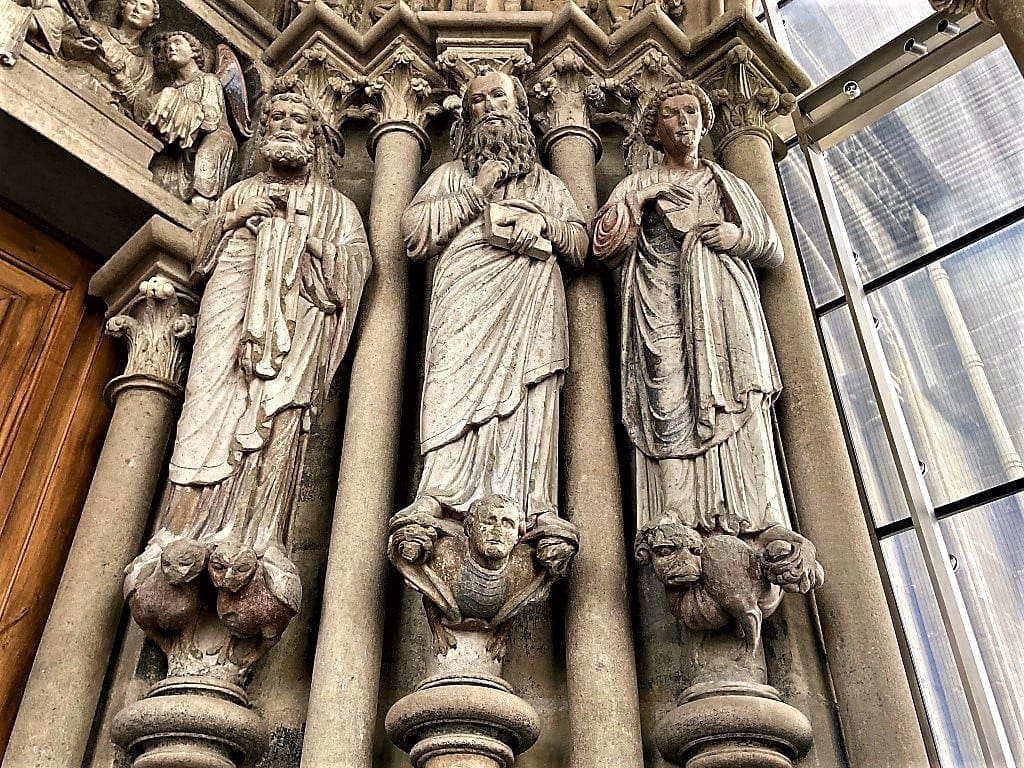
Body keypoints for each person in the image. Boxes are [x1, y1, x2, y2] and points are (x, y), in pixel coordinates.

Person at [592, 81, 821, 593]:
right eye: (671, 114)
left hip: (721, 304)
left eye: (691, 111)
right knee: (666, 397)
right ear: (654, 128)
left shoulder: (724, 181)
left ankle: (759, 511)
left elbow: (772, 246)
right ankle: (674, 511)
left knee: (741, 396)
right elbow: (601, 245)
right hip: (659, 302)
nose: (683, 122)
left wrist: (735, 237)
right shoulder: (639, 183)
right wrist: (640, 195)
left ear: (705, 118)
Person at [153, 80, 371, 557]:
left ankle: (254, 533)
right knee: (207, 399)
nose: (286, 126)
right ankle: (181, 528)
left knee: (276, 414)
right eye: (277, 118)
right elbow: (196, 256)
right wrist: (236, 217)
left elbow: (355, 268)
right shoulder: (238, 193)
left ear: (314, 136)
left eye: (298, 120)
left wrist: (306, 241)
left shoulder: (338, 207)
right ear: (264, 129)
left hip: (298, 324)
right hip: (228, 307)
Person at [399, 68, 587, 524]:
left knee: (529, 388)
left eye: (499, 96)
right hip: (463, 296)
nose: (490, 107)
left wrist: (543, 223)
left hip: (530, 298)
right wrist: (475, 192)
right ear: (466, 117)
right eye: (478, 100)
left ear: (520, 110)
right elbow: (413, 234)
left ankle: (529, 499)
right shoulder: (449, 175)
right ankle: (440, 489)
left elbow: (581, 245)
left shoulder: (546, 184)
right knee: (451, 377)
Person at [147, 30, 235, 211]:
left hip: (212, 137)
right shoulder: (170, 89)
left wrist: (177, 105)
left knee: (207, 152)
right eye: (167, 47)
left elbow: (211, 119)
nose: (171, 48)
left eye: (178, 43)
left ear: (194, 51)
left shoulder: (208, 80)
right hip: (178, 149)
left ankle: (202, 203)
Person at [62, 0, 159, 122]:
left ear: (153, 20)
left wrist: (124, 82)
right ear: (123, 7)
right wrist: (74, 46)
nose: (136, 9)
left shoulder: (145, 69)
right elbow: (59, 40)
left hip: (106, 110)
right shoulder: (93, 28)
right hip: (72, 80)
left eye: (144, 7)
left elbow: (142, 114)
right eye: (132, 3)